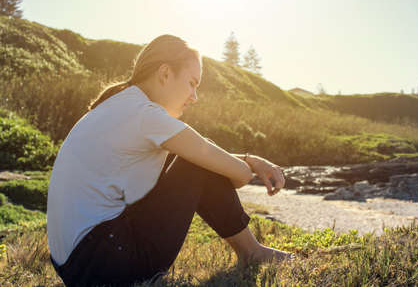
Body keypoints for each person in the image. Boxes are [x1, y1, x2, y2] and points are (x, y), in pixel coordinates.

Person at [46, 34, 293, 287]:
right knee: (198, 161)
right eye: (191, 83)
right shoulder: (146, 116)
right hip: (106, 262)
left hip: (78, 264)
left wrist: (249, 159)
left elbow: (196, 152)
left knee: (196, 156)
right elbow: (239, 175)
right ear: (165, 74)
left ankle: (252, 250)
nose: (194, 96)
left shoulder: (121, 105)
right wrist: (248, 164)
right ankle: (252, 251)